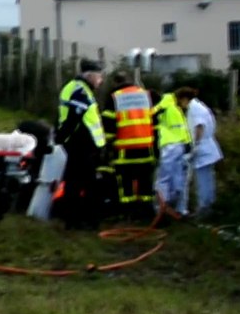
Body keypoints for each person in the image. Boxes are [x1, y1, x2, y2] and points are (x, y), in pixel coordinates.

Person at [54, 59, 107, 230]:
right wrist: (62, 138)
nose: (101, 80)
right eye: (99, 76)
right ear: (90, 76)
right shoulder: (81, 91)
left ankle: (74, 220)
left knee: (74, 182)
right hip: (81, 143)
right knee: (86, 183)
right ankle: (87, 221)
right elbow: (74, 118)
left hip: (78, 143)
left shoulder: (75, 87)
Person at [99, 70, 156, 220]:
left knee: (125, 181)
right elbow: (154, 121)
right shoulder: (145, 95)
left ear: (115, 83)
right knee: (145, 180)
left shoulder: (114, 98)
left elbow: (109, 125)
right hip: (146, 147)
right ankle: (146, 212)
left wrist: (107, 146)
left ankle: (128, 213)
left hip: (125, 149)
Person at [151, 87, 194, 218]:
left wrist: (187, 142)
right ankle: (161, 209)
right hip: (170, 146)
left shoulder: (175, 107)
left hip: (178, 146)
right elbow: (153, 113)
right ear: (183, 98)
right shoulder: (168, 103)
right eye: (188, 101)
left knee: (178, 179)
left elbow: (181, 129)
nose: (187, 105)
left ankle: (174, 208)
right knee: (165, 178)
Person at [182, 87, 222, 218]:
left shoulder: (194, 108)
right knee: (207, 179)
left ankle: (204, 208)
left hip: (203, 148)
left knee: (203, 180)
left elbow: (199, 126)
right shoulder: (199, 106)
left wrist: (195, 145)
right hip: (207, 147)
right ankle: (208, 205)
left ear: (184, 99)